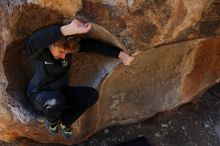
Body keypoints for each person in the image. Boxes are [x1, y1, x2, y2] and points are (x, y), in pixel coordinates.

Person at [26, 19, 134, 139]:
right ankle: (53, 122)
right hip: (40, 96)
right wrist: (66, 29)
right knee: (56, 101)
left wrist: (121, 55)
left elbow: (93, 46)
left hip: (62, 92)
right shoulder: (37, 53)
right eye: (61, 52)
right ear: (51, 44)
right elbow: (33, 41)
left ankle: (64, 121)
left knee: (92, 95)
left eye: (66, 53)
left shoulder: (66, 52)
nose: (63, 56)